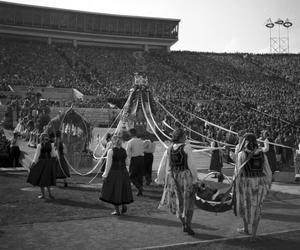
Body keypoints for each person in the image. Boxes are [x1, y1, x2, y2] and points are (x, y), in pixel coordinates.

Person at [156, 128, 198, 235]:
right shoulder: (187, 147)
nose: (185, 137)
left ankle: (184, 223)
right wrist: (195, 179)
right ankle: (187, 224)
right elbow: (191, 165)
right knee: (189, 202)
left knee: (179, 202)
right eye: (184, 135)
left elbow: (166, 165)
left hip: (174, 178)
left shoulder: (169, 149)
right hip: (185, 177)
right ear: (180, 137)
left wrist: (161, 178)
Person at [234, 133, 272, 241]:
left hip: (246, 182)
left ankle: (246, 228)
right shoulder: (262, 154)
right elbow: (268, 171)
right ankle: (253, 235)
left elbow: (238, 170)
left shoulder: (242, 154)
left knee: (245, 205)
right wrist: (267, 184)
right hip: (259, 183)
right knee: (256, 208)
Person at [100, 134, 133, 215]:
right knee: (123, 189)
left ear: (112, 141)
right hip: (124, 172)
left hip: (114, 172)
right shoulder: (124, 151)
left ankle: (117, 210)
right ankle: (124, 205)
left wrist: (105, 175)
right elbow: (128, 163)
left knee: (114, 190)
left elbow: (108, 165)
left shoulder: (110, 151)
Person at [27, 132, 56, 199]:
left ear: (41, 138)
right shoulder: (51, 145)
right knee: (47, 179)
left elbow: (36, 156)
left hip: (42, 163)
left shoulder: (40, 145)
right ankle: (50, 194)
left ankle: (43, 195)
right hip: (48, 163)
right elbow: (54, 155)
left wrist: (33, 163)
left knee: (41, 179)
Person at [126, 128, 144, 196]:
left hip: (135, 159)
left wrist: (130, 158)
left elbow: (128, 152)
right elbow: (143, 149)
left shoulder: (130, 142)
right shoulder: (141, 141)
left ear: (131, 134)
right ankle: (140, 190)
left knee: (131, 176)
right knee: (140, 175)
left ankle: (139, 187)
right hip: (142, 159)